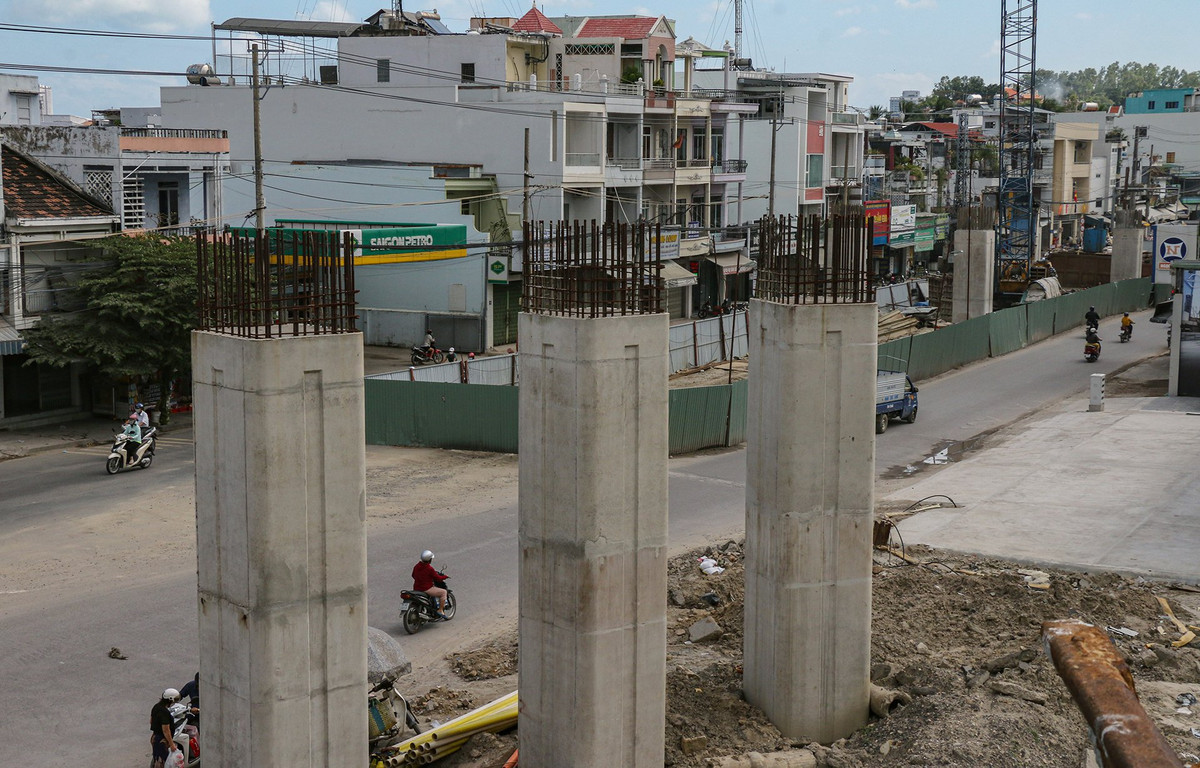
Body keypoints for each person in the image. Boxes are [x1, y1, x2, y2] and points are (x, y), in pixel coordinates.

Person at [412, 550, 448, 619]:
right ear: (429, 560)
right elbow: (438, 578)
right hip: (426, 589)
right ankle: (440, 610)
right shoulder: (429, 568)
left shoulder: (416, 566)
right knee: (444, 592)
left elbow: (413, 575)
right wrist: (445, 577)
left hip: (416, 588)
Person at [150, 688, 180, 767]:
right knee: (163, 762)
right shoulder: (164, 712)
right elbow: (166, 730)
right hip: (161, 741)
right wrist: (172, 744)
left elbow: (151, 721)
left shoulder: (156, 707)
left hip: (155, 737)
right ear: (170, 700)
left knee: (157, 759)